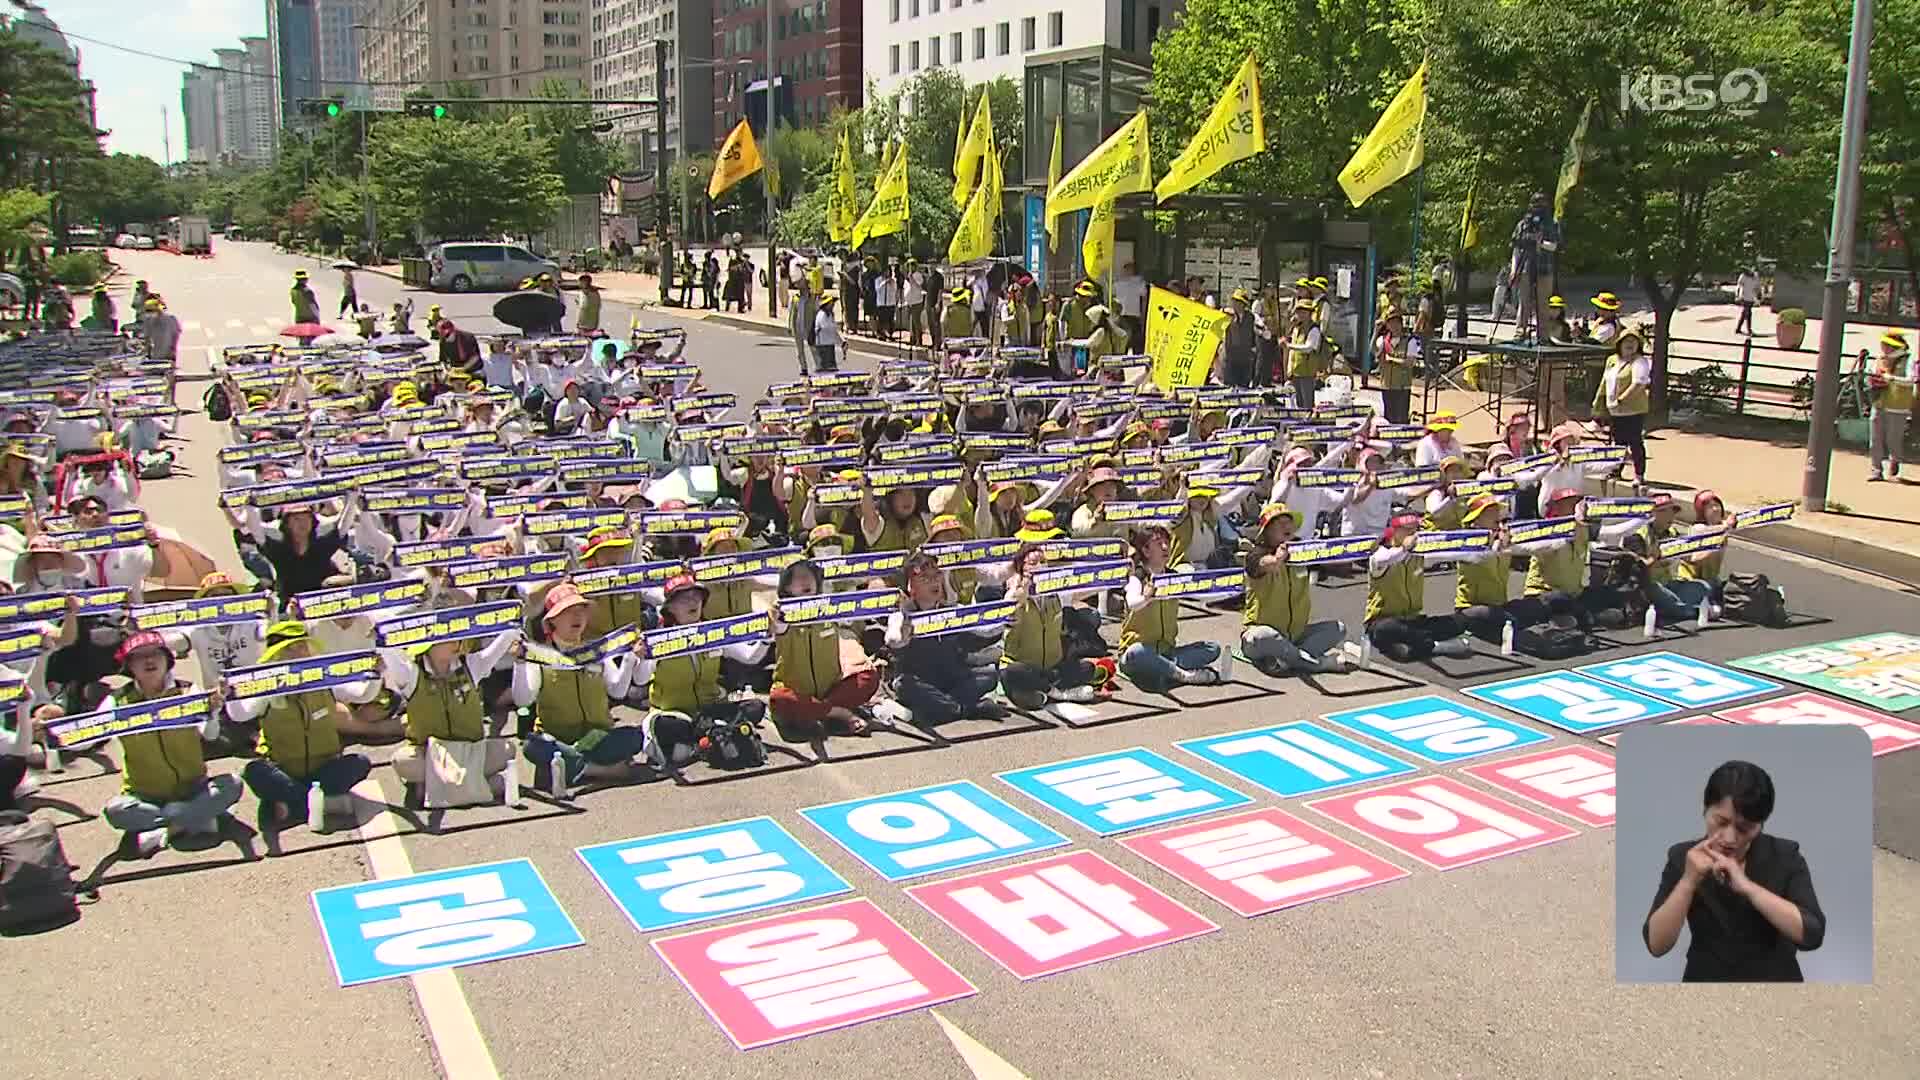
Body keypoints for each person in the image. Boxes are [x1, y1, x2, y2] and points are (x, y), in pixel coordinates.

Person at [1643, 760, 1825, 982]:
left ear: (1760, 825)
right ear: (1705, 810)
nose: (1729, 838)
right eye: (1721, 822)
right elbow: (1656, 945)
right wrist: (1688, 882)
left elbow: (1812, 934)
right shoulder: (1682, 858)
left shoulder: (1785, 856)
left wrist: (1748, 888)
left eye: (1744, 828)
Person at [99, 632, 242, 859]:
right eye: (139, 657)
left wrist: (213, 711)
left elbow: (211, 735)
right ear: (129, 666)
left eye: (155, 654)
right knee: (115, 810)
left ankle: (167, 826)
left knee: (233, 784)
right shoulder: (116, 701)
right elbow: (87, 737)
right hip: (145, 796)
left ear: (167, 659)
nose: (149, 661)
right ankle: (193, 818)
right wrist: (51, 731)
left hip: (193, 788)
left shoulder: (187, 691)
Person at [228, 622, 376, 833]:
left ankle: (292, 805)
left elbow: (363, 694)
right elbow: (240, 714)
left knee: (359, 763)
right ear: (276, 656)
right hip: (283, 771)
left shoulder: (323, 677)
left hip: (324, 768)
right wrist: (230, 696)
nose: (298, 653)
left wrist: (375, 675)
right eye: (289, 649)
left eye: (302, 646)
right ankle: (317, 803)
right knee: (254, 771)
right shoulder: (266, 687)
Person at [513, 583, 644, 791]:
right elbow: (523, 700)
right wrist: (519, 664)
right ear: (551, 622)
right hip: (556, 738)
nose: (577, 617)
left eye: (581, 611)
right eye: (567, 612)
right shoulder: (538, 655)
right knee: (532, 746)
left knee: (635, 736)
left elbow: (617, 691)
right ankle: (599, 770)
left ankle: (570, 767)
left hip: (596, 737)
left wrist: (630, 659)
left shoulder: (596, 649)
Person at [883, 554, 1006, 725]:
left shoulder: (952, 609)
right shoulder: (900, 615)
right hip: (920, 681)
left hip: (950, 678)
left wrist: (1010, 612)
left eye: (937, 576)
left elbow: (986, 630)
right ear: (912, 586)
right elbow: (893, 639)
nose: (934, 582)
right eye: (926, 579)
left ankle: (942, 708)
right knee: (905, 685)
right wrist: (905, 631)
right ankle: (965, 709)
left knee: (989, 676)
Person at [767, 559, 878, 738]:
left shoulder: (830, 608)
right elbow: (777, 626)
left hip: (830, 689)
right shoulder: (781, 615)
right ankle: (840, 714)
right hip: (797, 693)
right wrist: (775, 619)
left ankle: (819, 710)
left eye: (810, 575)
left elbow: (861, 607)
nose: (806, 580)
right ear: (786, 586)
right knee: (780, 700)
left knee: (869, 676)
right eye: (798, 576)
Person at [997, 544, 1114, 710]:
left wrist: (1119, 575)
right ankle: (1057, 692)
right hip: (1024, 666)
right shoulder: (1014, 595)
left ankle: (1043, 692)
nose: (1040, 566)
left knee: (1087, 668)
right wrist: (1021, 594)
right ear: (1021, 567)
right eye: (1033, 562)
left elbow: (1088, 588)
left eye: (1043, 561)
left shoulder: (1055, 593)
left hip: (1052, 668)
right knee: (1011, 673)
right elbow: (1008, 614)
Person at [1117, 525, 1231, 691]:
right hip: (1139, 653)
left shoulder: (1174, 577)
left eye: (1166, 543)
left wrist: (1230, 591)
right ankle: (1182, 675)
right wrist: (1146, 597)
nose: (1165, 547)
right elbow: (1132, 604)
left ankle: (1163, 670)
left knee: (1212, 648)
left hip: (1167, 652)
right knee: (1137, 652)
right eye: (1158, 544)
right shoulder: (1138, 578)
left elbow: (1200, 595)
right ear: (1146, 551)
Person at [1242, 503, 1350, 676]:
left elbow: (1330, 560)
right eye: (1279, 523)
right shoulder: (1256, 554)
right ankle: (1316, 663)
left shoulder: (1301, 552)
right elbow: (1263, 564)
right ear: (1267, 530)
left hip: (1296, 635)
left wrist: (1354, 551)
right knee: (1263, 636)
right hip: (1261, 634)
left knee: (1339, 628)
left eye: (1289, 522)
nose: (1287, 526)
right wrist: (1277, 559)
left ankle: (1287, 659)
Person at [1365, 513, 1474, 662]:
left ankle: (1420, 643)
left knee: (1461, 622)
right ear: (1394, 531)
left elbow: (1451, 555)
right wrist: (1404, 549)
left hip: (1413, 620)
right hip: (1384, 621)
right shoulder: (1381, 554)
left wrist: (1487, 548)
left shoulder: (1418, 555)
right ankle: (1434, 646)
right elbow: (1384, 559)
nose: (1412, 535)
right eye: (1407, 530)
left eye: (1415, 530)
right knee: (1386, 629)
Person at [1593, 328, 1652, 491]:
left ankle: (1639, 475)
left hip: (1633, 410)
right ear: (1620, 344)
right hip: (1614, 410)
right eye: (1627, 342)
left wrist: (1622, 399)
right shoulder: (1612, 359)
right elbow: (1604, 382)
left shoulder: (1640, 361)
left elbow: (1638, 384)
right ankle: (1616, 470)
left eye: (1633, 342)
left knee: (1635, 442)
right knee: (1617, 442)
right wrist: (1599, 402)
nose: (1630, 345)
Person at [1867, 329, 1913, 482]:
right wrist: (1873, 379)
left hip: (1898, 406)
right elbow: (1871, 373)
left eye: (1887, 345)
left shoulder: (1908, 360)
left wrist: (1891, 378)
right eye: (1883, 344)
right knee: (1875, 439)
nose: (1883, 348)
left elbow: (1911, 379)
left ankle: (1895, 460)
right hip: (1879, 403)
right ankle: (1876, 470)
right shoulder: (1880, 359)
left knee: (1893, 439)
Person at [1219, 290, 1260, 388]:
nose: (1236, 304)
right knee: (1228, 387)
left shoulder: (1250, 317)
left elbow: (1254, 333)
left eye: (1239, 302)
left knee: (1243, 387)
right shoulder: (1226, 315)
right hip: (1229, 358)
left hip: (1245, 358)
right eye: (1235, 301)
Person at [1115, 261, 1148, 351]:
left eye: (1130, 269)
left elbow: (1144, 298)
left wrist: (1143, 314)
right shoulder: (1118, 282)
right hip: (1121, 315)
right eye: (1126, 269)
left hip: (1134, 315)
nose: (1128, 271)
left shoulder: (1139, 283)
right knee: (1123, 341)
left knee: (1135, 341)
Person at [811, 291, 843, 372]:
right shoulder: (821, 315)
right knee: (824, 368)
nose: (832, 305)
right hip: (822, 345)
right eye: (831, 303)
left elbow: (834, 332)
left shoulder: (830, 315)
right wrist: (836, 326)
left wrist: (841, 342)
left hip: (829, 345)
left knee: (832, 368)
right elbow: (826, 327)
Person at [1734, 268, 1760, 336]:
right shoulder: (1743, 276)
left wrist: (1758, 295)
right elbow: (1739, 286)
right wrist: (1737, 295)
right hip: (1744, 297)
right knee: (1748, 313)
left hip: (1751, 298)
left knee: (1744, 313)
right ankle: (1749, 330)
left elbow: (1757, 287)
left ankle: (1738, 329)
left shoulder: (1755, 276)